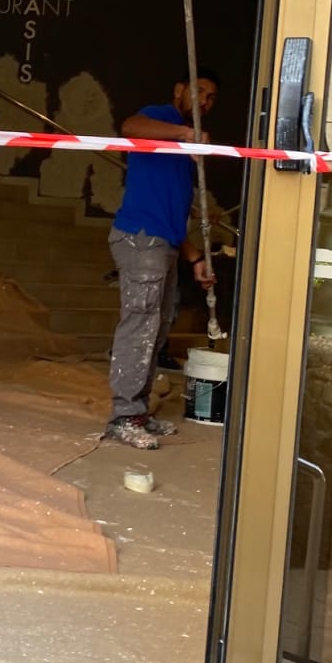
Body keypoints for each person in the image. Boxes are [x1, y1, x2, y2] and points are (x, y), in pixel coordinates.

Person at [106, 70, 220, 451]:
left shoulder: (185, 152)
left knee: (157, 328)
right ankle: (123, 416)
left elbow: (174, 213)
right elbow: (129, 126)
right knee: (140, 324)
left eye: (210, 98)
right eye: (198, 91)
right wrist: (186, 134)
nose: (204, 101)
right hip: (141, 239)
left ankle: (138, 411)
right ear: (178, 90)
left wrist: (194, 257)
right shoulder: (159, 119)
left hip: (165, 243)